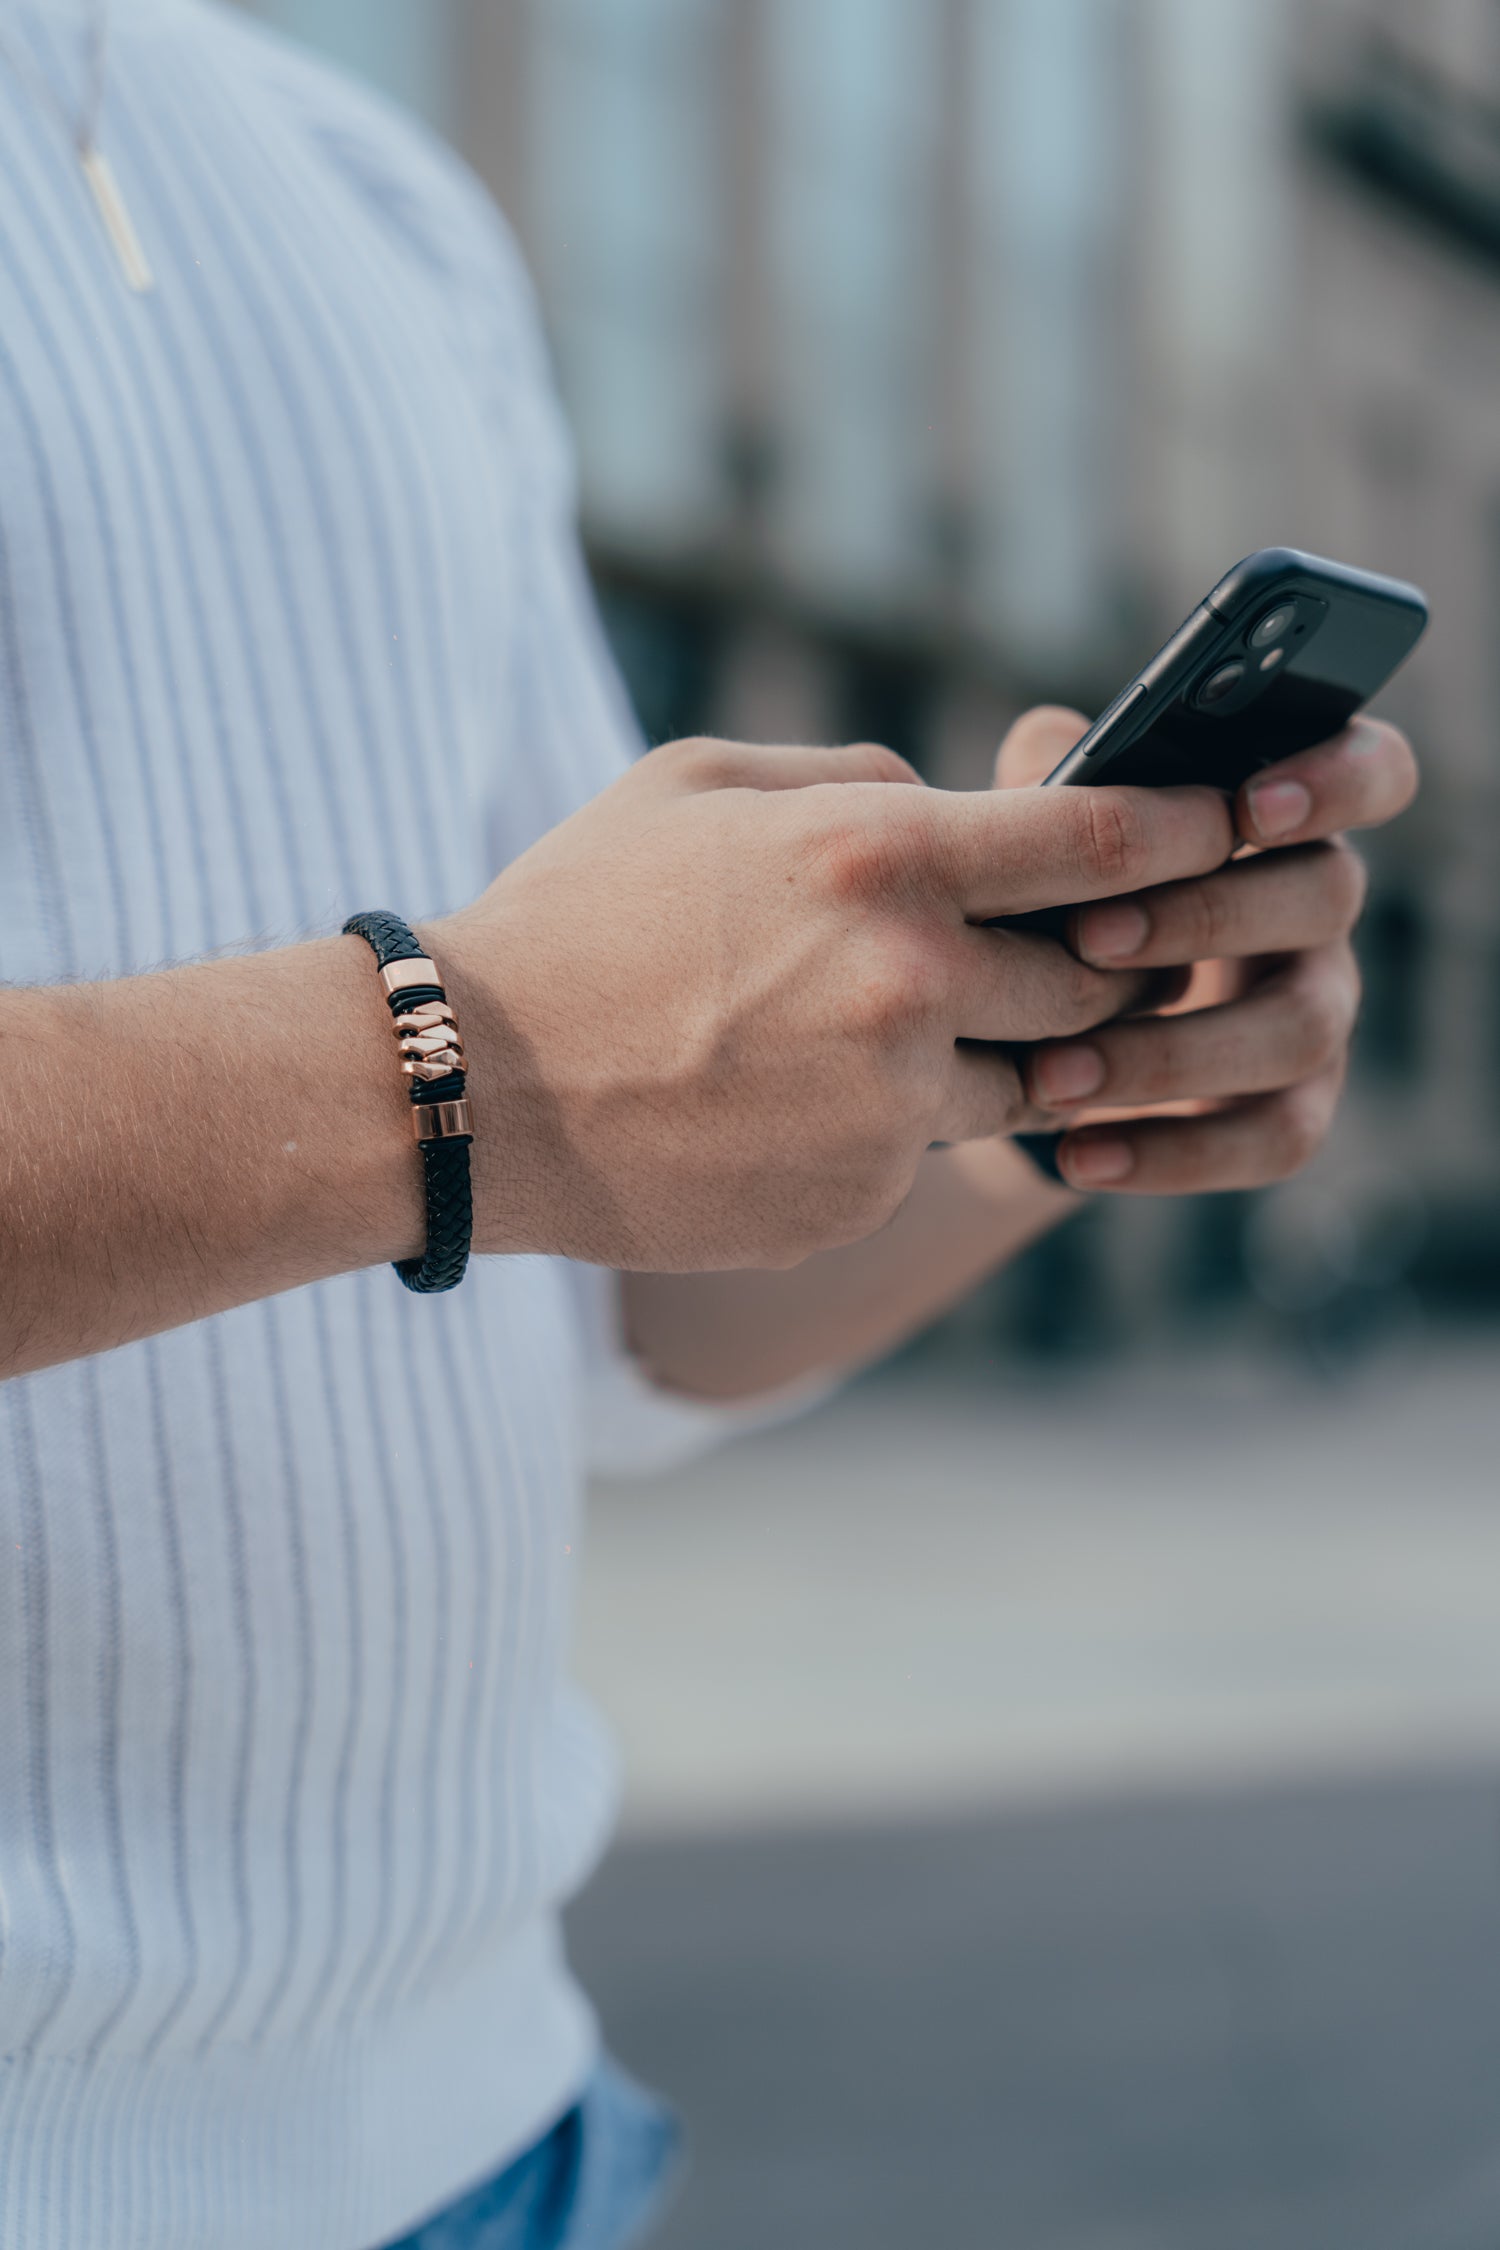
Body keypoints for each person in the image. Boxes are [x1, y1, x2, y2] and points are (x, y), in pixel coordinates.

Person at [0, 2, 1417, 2246]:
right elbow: (492, 1089)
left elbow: (621, 1314)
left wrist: (1045, 1079)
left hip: (494, 2140)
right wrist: (465, 1054)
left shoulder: (371, 202)